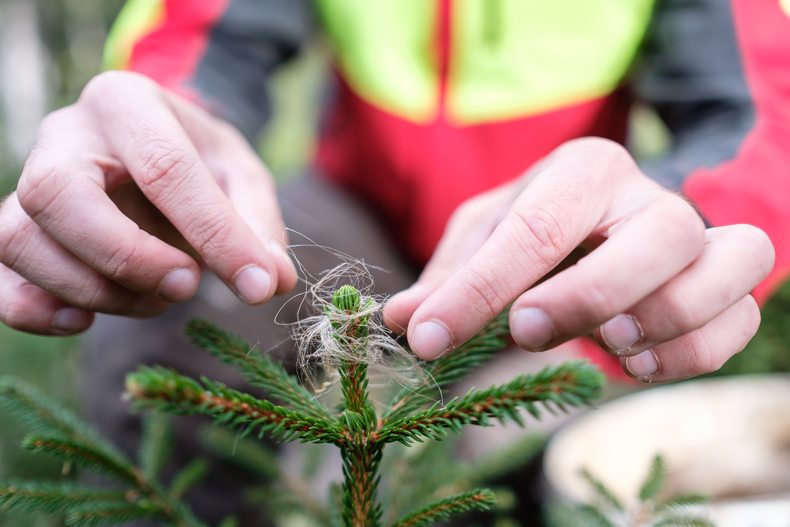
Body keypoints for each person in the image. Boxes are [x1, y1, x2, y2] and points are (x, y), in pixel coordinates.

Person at [0, 0, 787, 521]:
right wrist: (164, 124)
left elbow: (761, 108)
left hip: (553, 241)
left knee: (524, 454)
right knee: (175, 298)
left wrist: (681, 227)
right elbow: (203, 31)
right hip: (354, 204)